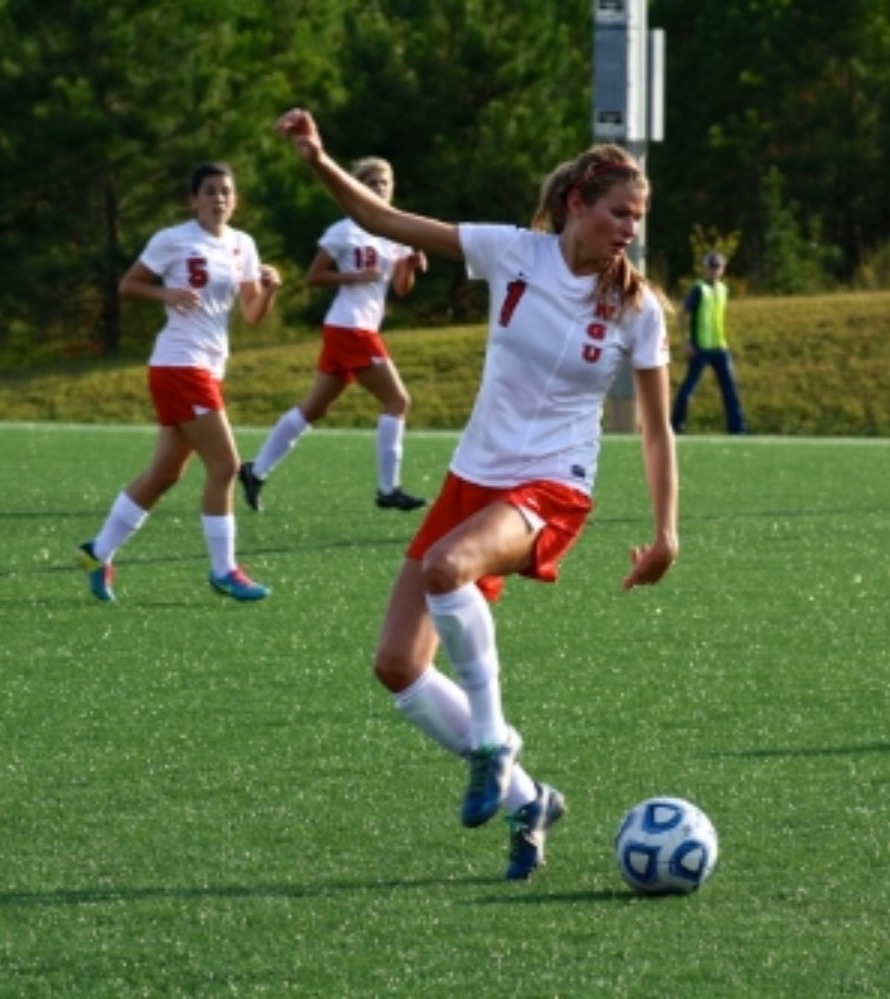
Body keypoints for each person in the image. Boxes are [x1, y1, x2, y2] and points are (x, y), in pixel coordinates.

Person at [275, 108, 680, 881]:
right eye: (619, 212)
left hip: (553, 488)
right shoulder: (511, 251)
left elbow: (657, 430)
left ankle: (493, 745)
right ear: (577, 205)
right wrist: (318, 159)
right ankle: (531, 798)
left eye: (639, 216)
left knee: (447, 568)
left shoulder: (637, 309)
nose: (631, 228)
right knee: (396, 664)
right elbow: (381, 216)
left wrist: (667, 533)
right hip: (475, 477)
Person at [77, 162, 280, 603]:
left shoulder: (244, 244)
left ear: (235, 200)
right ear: (193, 200)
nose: (218, 199)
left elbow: (251, 314)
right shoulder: (173, 239)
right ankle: (224, 570)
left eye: (226, 192)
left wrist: (270, 290)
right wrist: (164, 292)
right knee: (225, 466)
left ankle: (98, 551)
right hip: (178, 364)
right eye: (209, 191)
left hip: (208, 368)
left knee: (165, 473)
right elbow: (128, 285)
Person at [238, 157, 429, 513]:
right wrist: (355, 277)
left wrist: (409, 265)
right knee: (397, 400)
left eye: (385, 183)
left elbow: (402, 288)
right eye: (372, 183)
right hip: (348, 325)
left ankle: (256, 470)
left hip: (359, 327)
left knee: (315, 407)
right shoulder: (345, 230)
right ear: (357, 188)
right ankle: (389, 488)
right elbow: (314, 276)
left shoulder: (396, 231)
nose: (380, 189)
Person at [670, 250, 747, 434]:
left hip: (719, 345)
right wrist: (686, 341)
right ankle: (676, 424)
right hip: (700, 346)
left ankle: (737, 427)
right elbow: (683, 315)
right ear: (705, 269)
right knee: (689, 387)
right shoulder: (698, 289)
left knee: (730, 387)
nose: (714, 271)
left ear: (723, 269)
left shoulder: (723, 289)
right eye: (711, 267)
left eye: (717, 267)